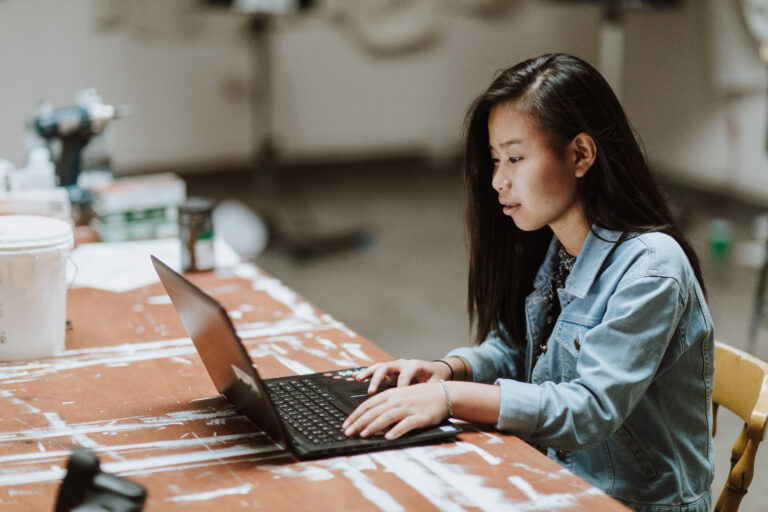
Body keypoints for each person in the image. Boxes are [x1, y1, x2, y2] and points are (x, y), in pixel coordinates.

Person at [342, 53, 714, 512]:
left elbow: (588, 410)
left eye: (516, 158)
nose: (499, 180)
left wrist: (449, 397)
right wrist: (448, 369)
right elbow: (520, 349)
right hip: (560, 477)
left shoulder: (651, 269)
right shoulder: (558, 244)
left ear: (580, 154)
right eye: (496, 160)